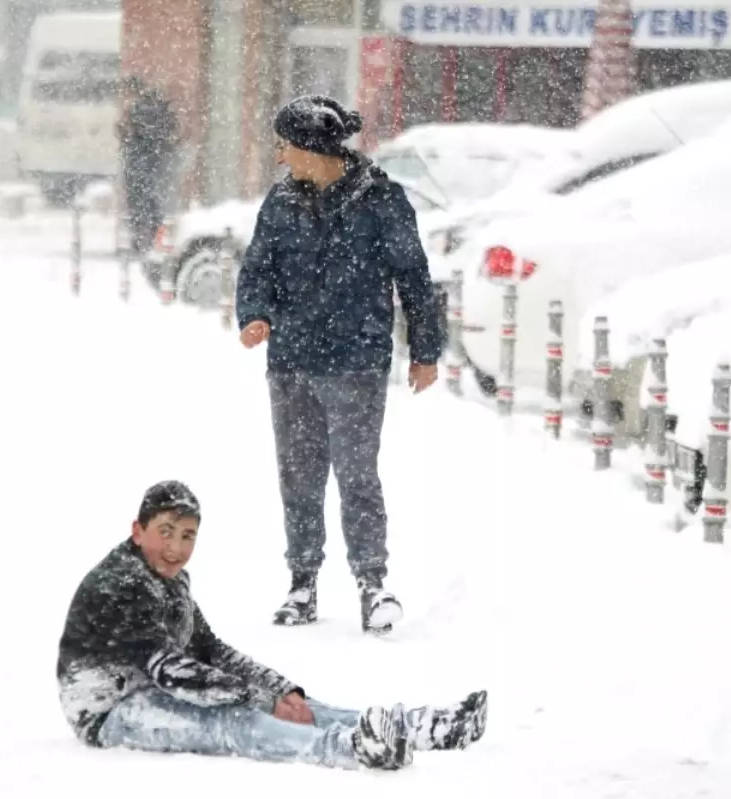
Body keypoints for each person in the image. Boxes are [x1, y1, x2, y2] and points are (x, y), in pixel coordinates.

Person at [56, 480, 487, 771]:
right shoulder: (120, 584)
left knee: (293, 704)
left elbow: (210, 649)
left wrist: (283, 690)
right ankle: (352, 750)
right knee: (229, 719)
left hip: (153, 686)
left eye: (187, 536)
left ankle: (418, 727)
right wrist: (262, 700)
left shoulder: (170, 580)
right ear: (138, 530)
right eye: (165, 532)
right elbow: (172, 670)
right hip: (110, 711)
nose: (175, 548)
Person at [234, 95, 444, 634]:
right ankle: (302, 583)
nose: (279, 157)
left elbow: (415, 279)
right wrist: (254, 315)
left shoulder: (381, 200)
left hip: (357, 359)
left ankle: (372, 584)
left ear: (310, 147)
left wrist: (425, 351)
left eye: (284, 145)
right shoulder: (280, 203)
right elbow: (256, 269)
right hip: (292, 361)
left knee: (356, 475)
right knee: (298, 477)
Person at [118, 75, 180, 254]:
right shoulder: (158, 106)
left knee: (141, 204)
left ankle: (141, 242)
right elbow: (171, 131)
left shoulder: (139, 108)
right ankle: (156, 240)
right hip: (156, 161)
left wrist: (126, 133)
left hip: (141, 162)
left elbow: (135, 135)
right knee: (154, 203)